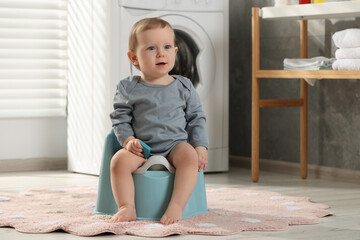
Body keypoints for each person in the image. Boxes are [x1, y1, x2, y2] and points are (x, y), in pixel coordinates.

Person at [109, 17, 209, 225]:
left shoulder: (184, 86)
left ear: (175, 51)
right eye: (151, 48)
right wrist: (128, 141)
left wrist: (200, 145)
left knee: (190, 158)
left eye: (166, 47)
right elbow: (120, 118)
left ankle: (177, 205)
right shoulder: (128, 87)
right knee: (118, 162)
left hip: (175, 145)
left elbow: (196, 118)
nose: (161, 53)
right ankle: (127, 206)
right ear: (134, 57)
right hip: (142, 148)